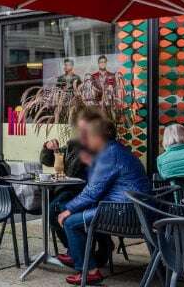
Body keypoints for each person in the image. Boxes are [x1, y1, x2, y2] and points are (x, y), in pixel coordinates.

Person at [53, 112, 151, 285]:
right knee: (74, 214)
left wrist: (69, 209)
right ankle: (86, 257)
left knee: (69, 221)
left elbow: (93, 191)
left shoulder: (108, 155)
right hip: (136, 209)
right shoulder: (116, 150)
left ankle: (89, 271)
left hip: (122, 212)